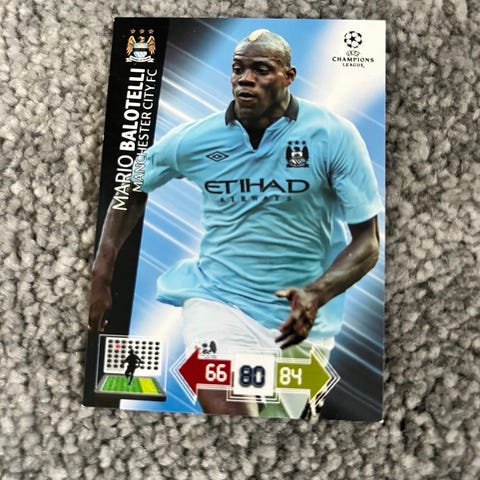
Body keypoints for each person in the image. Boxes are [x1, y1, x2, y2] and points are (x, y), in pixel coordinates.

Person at [89, 29, 382, 418]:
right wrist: (101, 272)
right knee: (228, 409)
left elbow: (368, 242)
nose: (245, 78)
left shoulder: (334, 136)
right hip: (218, 302)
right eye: (238, 68)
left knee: (281, 431)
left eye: (260, 69)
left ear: (289, 76)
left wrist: (316, 293)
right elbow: (132, 185)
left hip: (300, 320)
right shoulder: (195, 138)